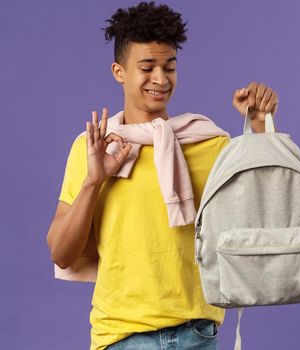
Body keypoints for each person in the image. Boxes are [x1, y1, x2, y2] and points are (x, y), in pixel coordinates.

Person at [45, 2, 280, 349]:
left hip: (196, 334)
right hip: (121, 337)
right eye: (147, 67)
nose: (160, 78)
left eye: (169, 67)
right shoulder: (93, 147)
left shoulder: (209, 144)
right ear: (119, 71)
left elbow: (265, 211)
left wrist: (260, 127)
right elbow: (62, 253)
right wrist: (94, 181)